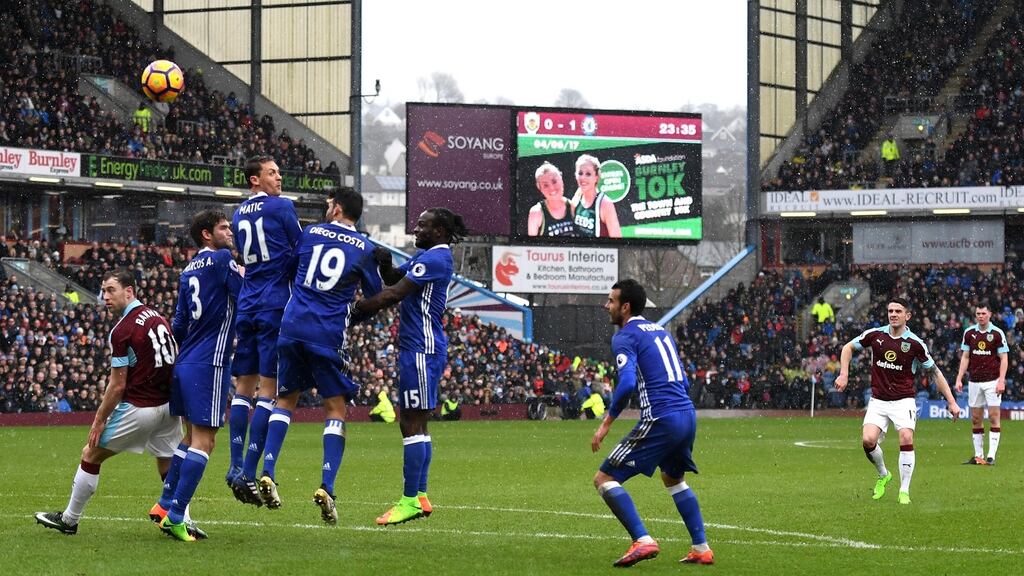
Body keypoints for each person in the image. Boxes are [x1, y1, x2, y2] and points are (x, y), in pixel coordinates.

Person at [256, 186, 382, 523]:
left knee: (285, 400)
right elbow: (374, 296)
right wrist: (351, 313)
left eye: (329, 204)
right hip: (326, 332)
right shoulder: (365, 248)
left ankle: (267, 470)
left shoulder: (311, 233)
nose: (327, 208)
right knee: (335, 407)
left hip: (292, 324)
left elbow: (291, 266)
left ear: (338, 209)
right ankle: (327, 484)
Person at [35, 270, 183, 535]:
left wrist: (99, 419)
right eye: (103, 290)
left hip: (141, 407)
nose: (105, 296)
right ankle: (181, 519)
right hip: (169, 407)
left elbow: (117, 385)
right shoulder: (158, 317)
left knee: (90, 454)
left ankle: (69, 520)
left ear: (129, 291)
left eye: (111, 290)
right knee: (168, 462)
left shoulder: (123, 330)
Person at [354, 207, 467, 525]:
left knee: (410, 423)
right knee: (420, 424)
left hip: (421, 349)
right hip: (422, 349)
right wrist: (386, 263)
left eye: (423, 225)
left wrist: (356, 311)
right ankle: (420, 495)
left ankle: (408, 501)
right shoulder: (430, 257)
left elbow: (393, 294)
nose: (415, 229)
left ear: (440, 231)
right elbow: (395, 279)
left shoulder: (434, 259)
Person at [591, 279, 713, 567]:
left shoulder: (625, 336)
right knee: (673, 478)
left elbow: (627, 384)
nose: (606, 306)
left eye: (610, 301)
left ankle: (643, 540)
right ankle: (701, 548)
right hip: (686, 414)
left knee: (604, 479)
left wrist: (606, 423)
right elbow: (681, 378)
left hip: (661, 417)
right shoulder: (661, 331)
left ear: (625, 306)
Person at [150, 210, 242, 541]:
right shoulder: (221, 260)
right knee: (206, 441)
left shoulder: (187, 271)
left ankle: (163, 504)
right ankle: (176, 515)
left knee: (189, 439)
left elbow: (178, 325)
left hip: (186, 362)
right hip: (211, 363)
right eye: (223, 227)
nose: (229, 232)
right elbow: (244, 295)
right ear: (206, 234)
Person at [227, 155, 302, 505]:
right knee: (269, 391)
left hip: (248, 302)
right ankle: (249, 472)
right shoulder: (282, 207)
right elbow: (302, 251)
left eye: (278, 171)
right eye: (272, 172)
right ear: (254, 179)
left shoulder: (239, 213)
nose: (279, 177)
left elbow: (246, 254)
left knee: (243, 389)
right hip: (274, 303)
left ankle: (233, 465)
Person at [835, 298, 960, 505]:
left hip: (903, 401)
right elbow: (847, 348)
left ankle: (904, 490)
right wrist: (844, 374)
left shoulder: (915, 344)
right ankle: (884, 474)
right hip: (878, 401)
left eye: (898, 311)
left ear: (907, 316)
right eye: (890, 310)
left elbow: (934, 372)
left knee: (905, 438)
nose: (893, 314)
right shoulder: (875, 335)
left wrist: (951, 401)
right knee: (867, 440)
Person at [954, 303, 1009, 466]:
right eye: (978, 313)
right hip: (974, 382)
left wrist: (1001, 380)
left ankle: (991, 456)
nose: (980, 316)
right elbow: (965, 357)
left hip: (992, 381)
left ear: (990, 314)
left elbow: (1004, 358)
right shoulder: (969, 333)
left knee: (993, 417)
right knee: (976, 419)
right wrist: (959, 378)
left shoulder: (997, 333)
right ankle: (979, 455)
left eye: (983, 313)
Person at [570, 154, 621, 237]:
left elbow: (617, 240)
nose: (583, 177)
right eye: (580, 173)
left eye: (588, 174)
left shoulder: (605, 204)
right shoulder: (576, 199)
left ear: (596, 177)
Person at [527, 162, 576, 237]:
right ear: (539, 188)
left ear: (561, 179)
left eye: (554, 181)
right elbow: (531, 246)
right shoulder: (536, 213)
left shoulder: (573, 207)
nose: (552, 188)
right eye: (545, 185)